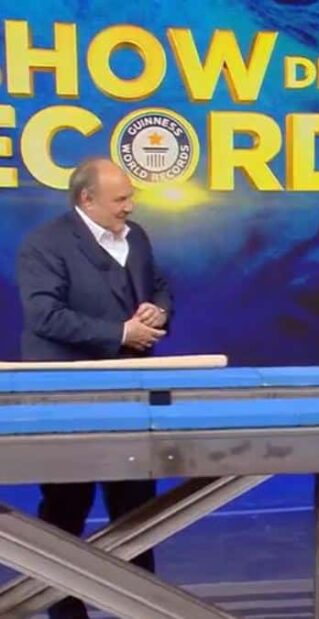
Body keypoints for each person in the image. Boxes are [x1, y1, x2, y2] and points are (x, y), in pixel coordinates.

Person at [16, 158, 173, 619]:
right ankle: (63, 611)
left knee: (138, 510)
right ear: (86, 199)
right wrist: (120, 334)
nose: (130, 206)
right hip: (69, 398)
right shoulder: (44, 245)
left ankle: (142, 607)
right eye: (120, 199)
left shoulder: (136, 237)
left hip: (130, 397)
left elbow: (160, 287)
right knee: (67, 506)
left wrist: (158, 310)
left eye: (131, 197)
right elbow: (44, 317)